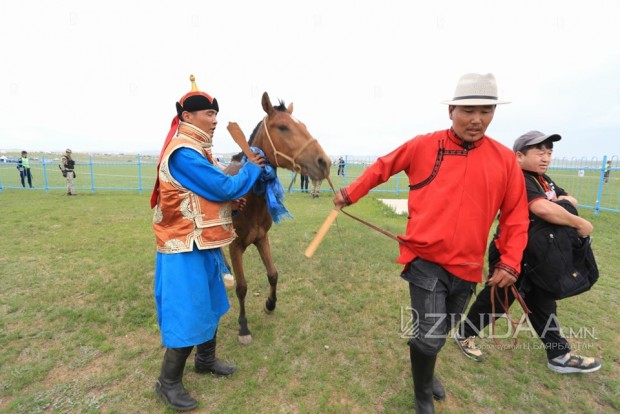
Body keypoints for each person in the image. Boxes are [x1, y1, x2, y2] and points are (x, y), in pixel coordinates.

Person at [332, 73, 529, 413]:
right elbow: (383, 166)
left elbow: (516, 215)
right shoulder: (424, 145)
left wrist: (510, 260)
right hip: (425, 259)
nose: (477, 119)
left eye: (486, 111)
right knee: (430, 333)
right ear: (451, 110)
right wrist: (351, 193)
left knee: (440, 329)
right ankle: (422, 394)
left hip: (467, 266)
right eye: (468, 110)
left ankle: (425, 369)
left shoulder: (504, 160)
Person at [150, 75, 265, 411]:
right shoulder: (184, 153)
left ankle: (205, 360)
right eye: (208, 114)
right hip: (183, 246)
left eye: (216, 114)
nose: (214, 120)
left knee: (212, 302)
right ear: (187, 116)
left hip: (203, 242)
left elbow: (207, 195)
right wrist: (252, 168)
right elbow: (224, 187)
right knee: (188, 310)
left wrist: (229, 204)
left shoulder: (201, 152)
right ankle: (167, 382)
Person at [454, 131, 602, 374]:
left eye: (549, 152)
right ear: (519, 156)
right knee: (497, 300)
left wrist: (561, 206)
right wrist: (577, 222)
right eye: (539, 152)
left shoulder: (543, 180)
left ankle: (558, 355)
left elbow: (570, 200)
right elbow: (542, 209)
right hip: (512, 252)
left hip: (537, 254)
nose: (546, 158)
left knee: (541, 301)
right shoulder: (519, 178)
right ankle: (464, 334)